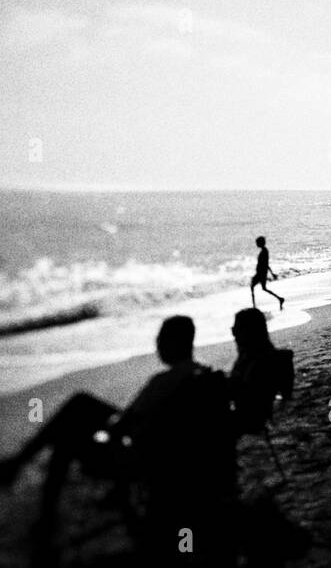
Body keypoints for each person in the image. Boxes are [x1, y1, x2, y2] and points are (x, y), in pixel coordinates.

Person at [0, 316, 229, 550]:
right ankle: (22, 471)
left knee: (68, 433)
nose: (157, 343)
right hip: (175, 458)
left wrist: (102, 430)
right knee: (81, 405)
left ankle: (41, 509)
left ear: (173, 342)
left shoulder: (164, 382)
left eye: (161, 338)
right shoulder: (205, 375)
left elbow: (123, 426)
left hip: (141, 460)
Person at [227, 309, 294, 437]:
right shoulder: (270, 358)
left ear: (249, 332)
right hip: (256, 417)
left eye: (235, 330)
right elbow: (286, 395)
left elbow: (240, 394)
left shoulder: (256, 363)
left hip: (249, 420)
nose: (234, 335)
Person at [251, 235, 286, 311]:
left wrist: (271, 273)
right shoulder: (264, 251)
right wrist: (271, 273)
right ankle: (279, 299)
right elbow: (266, 264)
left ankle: (254, 307)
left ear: (260, 243)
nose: (256, 244)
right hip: (262, 272)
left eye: (257, 243)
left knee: (254, 286)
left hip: (261, 273)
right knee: (262, 288)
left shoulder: (264, 252)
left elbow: (265, 264)